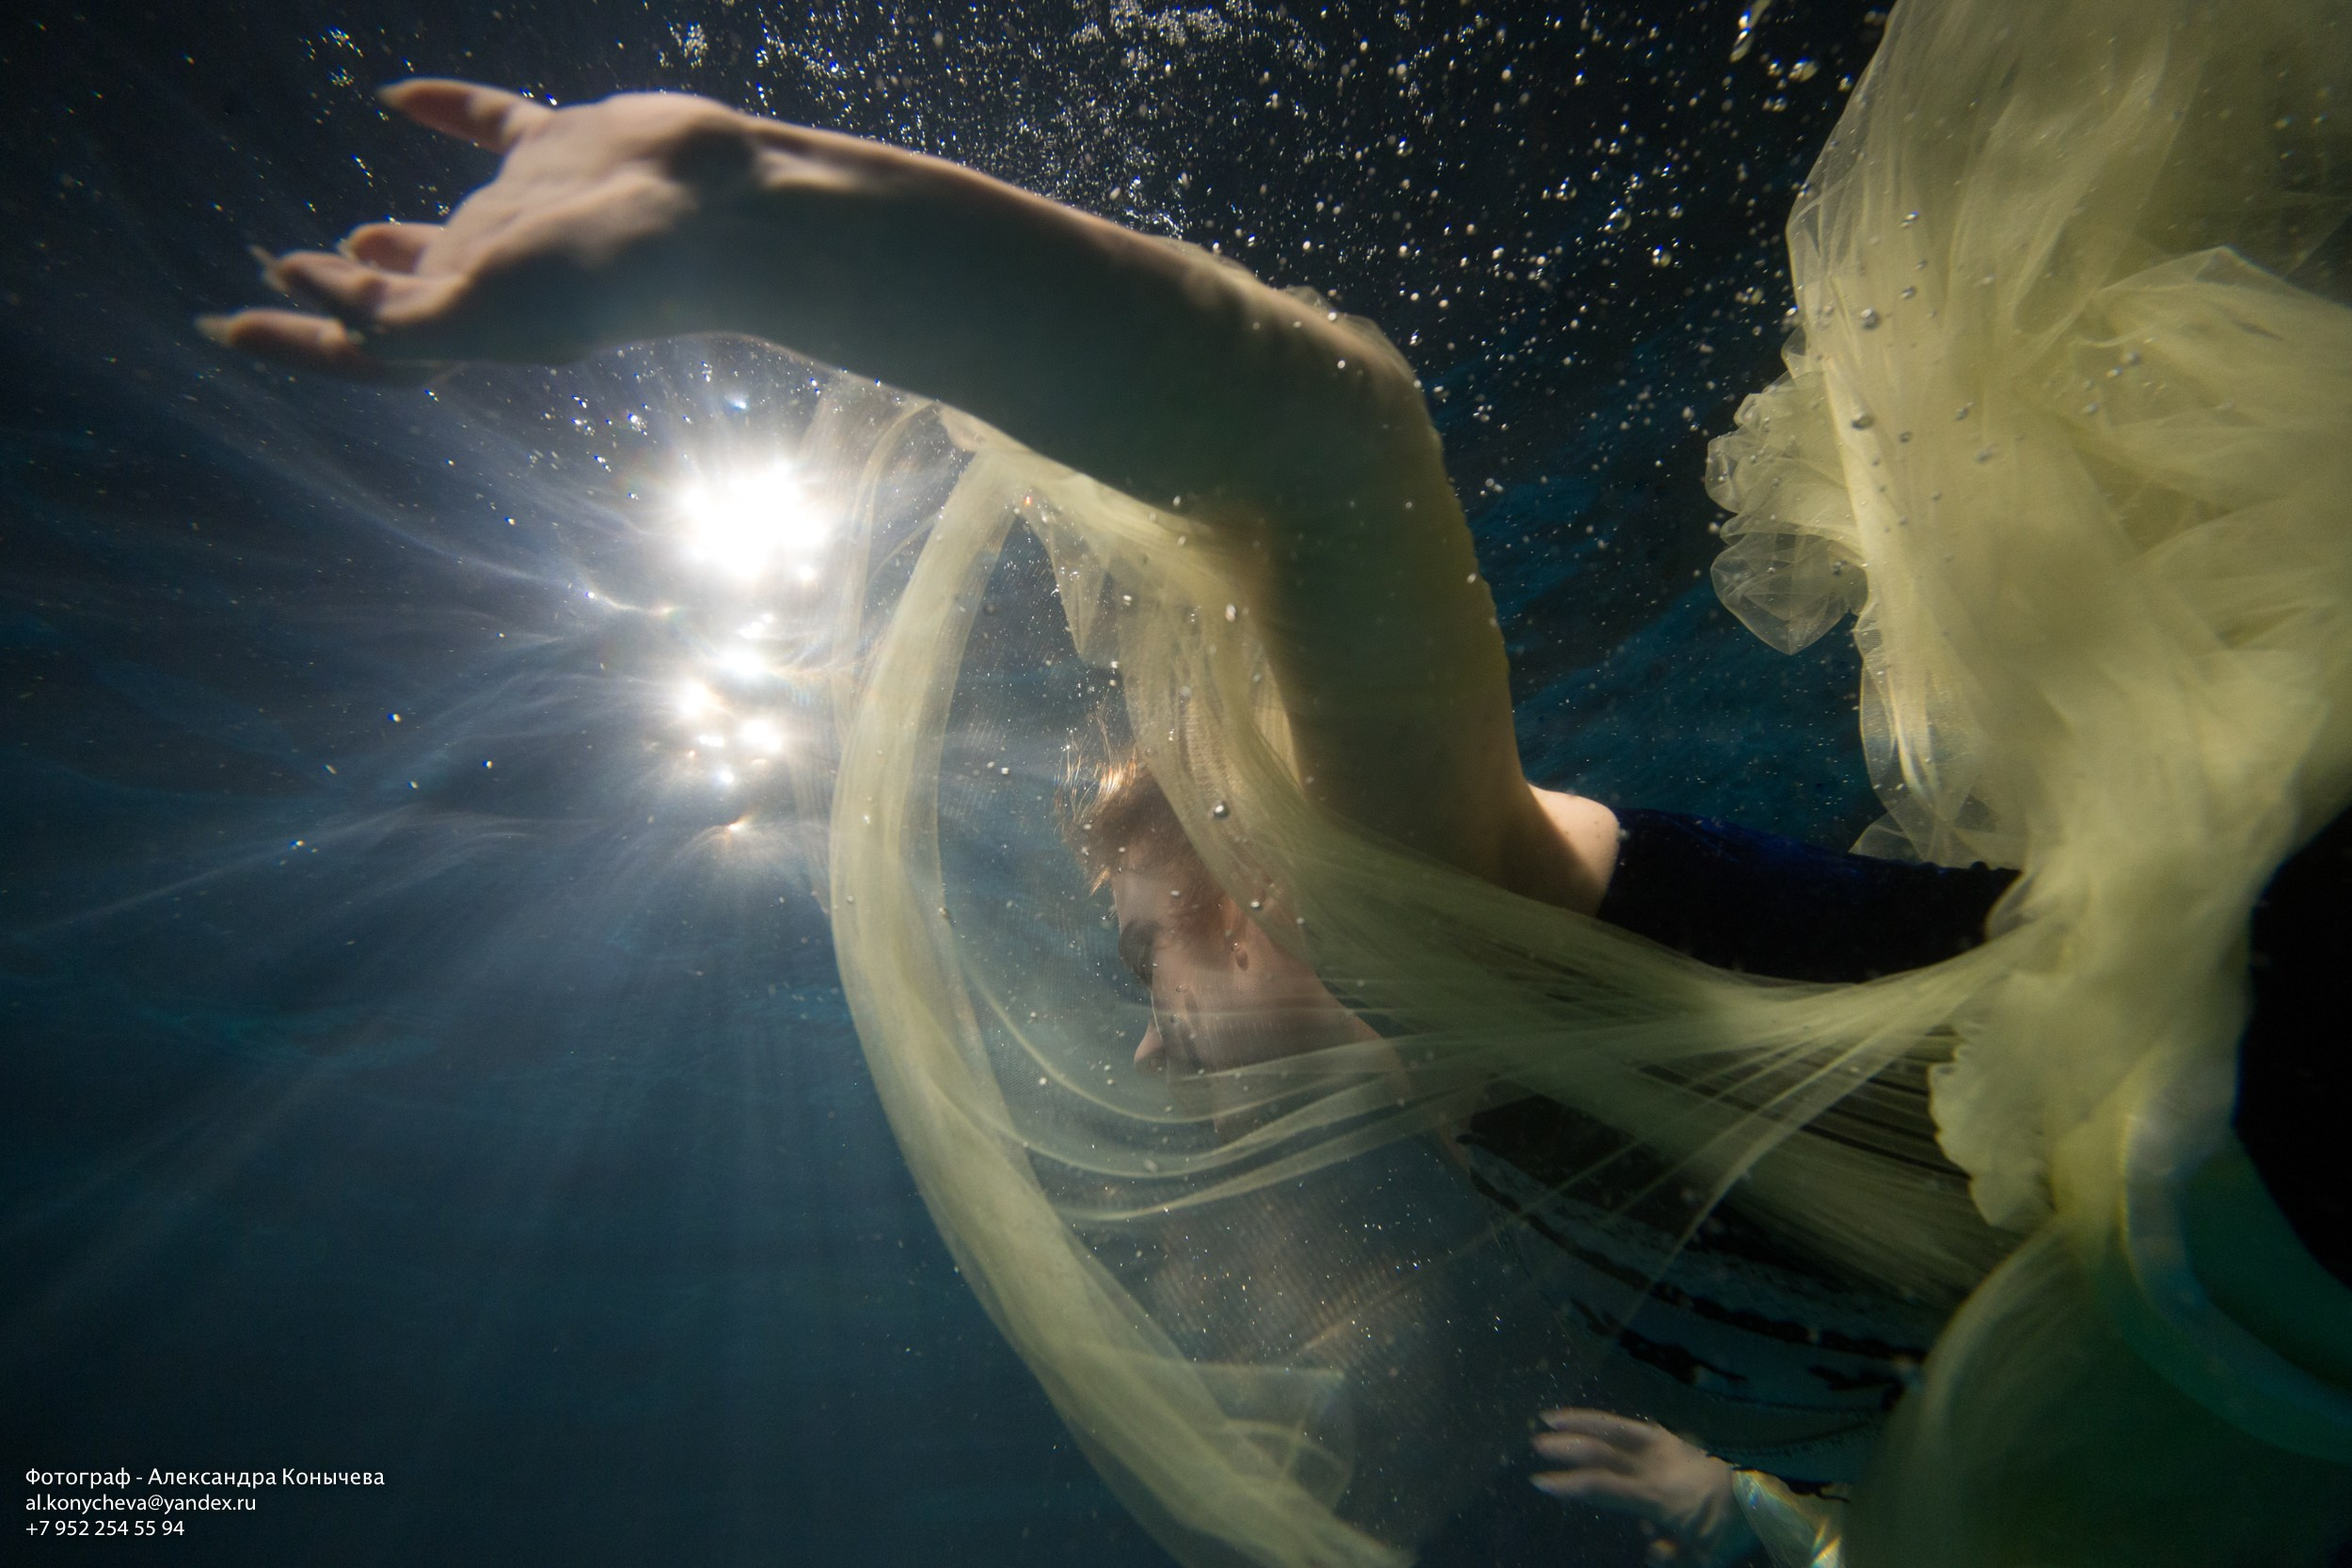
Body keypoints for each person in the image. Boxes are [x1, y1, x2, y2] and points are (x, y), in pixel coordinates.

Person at [206, 1, 2352, 1560]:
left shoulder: (1444, 917)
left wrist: (750, 212)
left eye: (1133, 938)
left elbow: (1320, 437)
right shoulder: (1503, 1088)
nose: (1139, 1029)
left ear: (1252, 865)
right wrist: (1747, 1511)